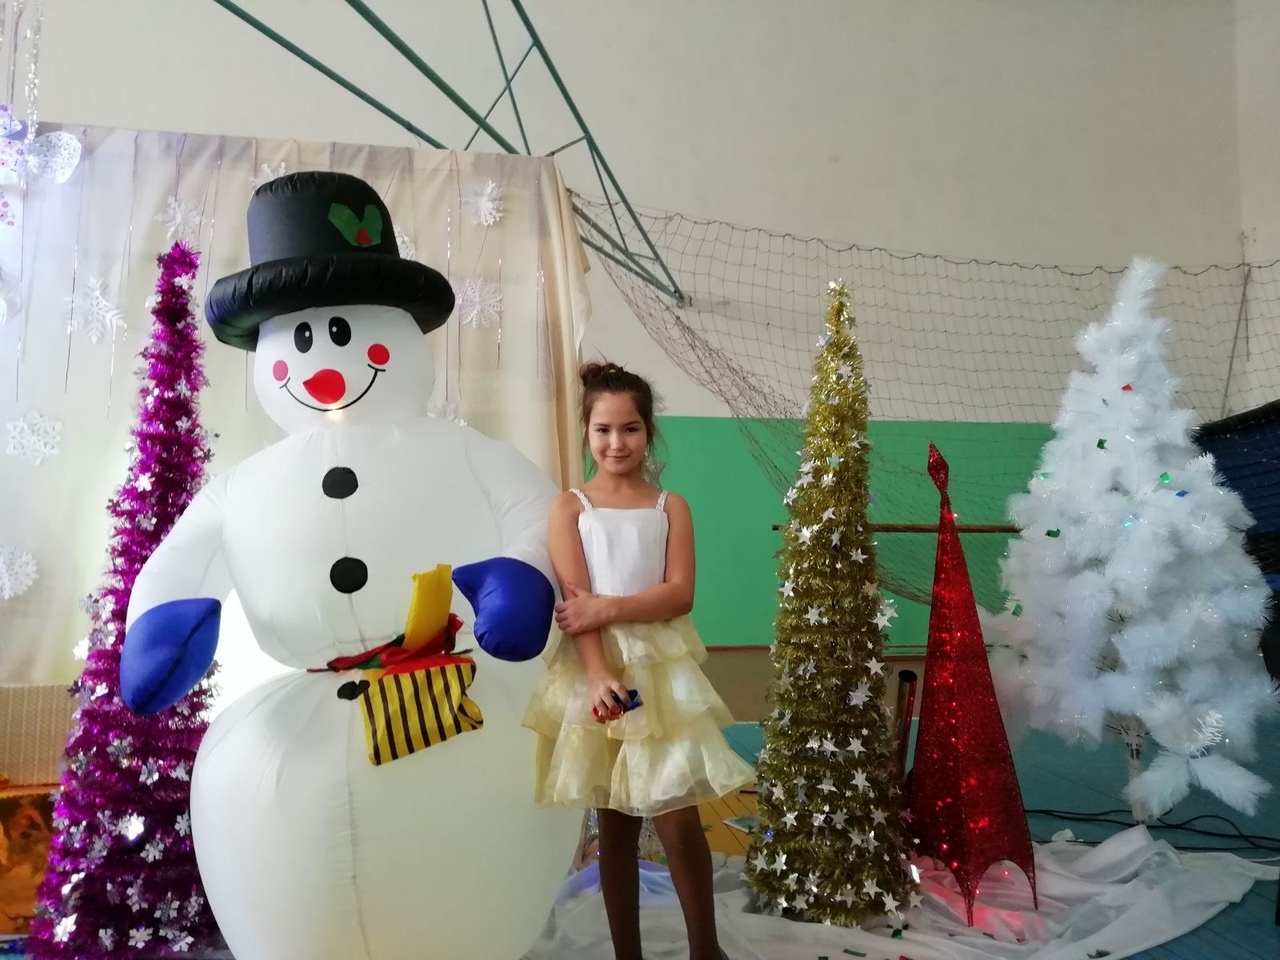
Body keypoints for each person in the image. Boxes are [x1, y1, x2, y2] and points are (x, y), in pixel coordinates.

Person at [524, 361, 755, 960]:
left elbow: (679, 594)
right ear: (586, 433)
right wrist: (599, 673)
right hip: (597, 669)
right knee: (616, 821)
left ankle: (706, 949)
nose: (616, 443)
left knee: (678, 816)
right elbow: (575, 605)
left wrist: (608, 606)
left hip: (659, 668)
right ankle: (628, 953)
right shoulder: (570, 507)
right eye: (603, 430)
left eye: (630, 429)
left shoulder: (669, 507)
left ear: (648, 432)